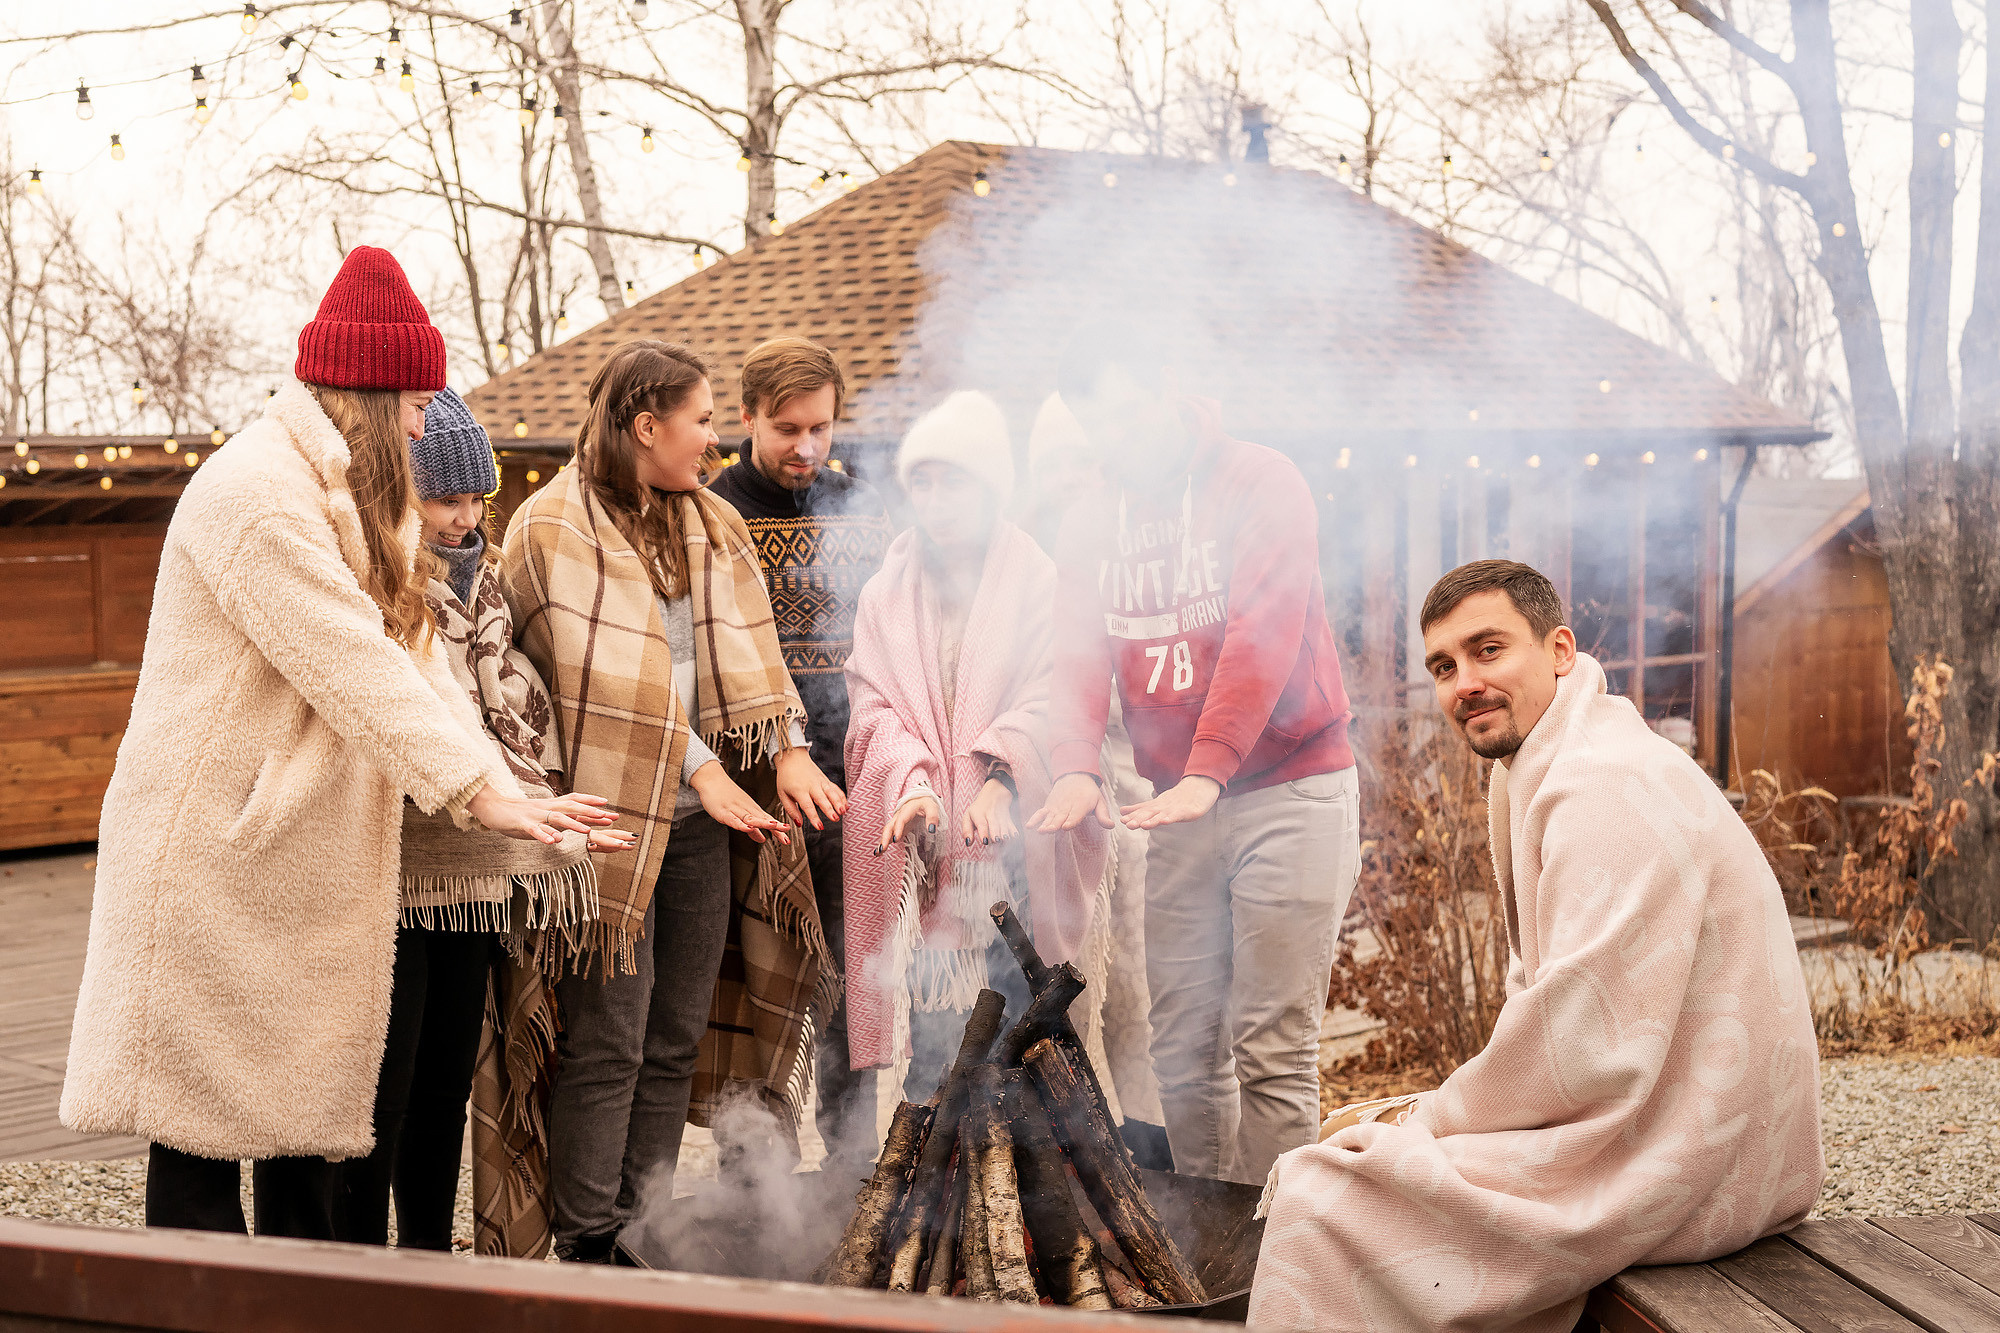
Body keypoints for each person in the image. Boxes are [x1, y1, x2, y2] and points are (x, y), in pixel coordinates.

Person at [59, 246, 618, 1237]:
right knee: (196, 1141)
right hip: (210, 847)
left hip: (286, 851)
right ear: (367, 393)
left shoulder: (359, 500)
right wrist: (479, 792)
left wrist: (503, 792)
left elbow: (416, 662)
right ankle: (195, 1305)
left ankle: (304, 1300)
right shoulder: (254, 492)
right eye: (416, 404)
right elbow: (347, 657)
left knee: (303, 1131)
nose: (423, 425)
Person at [1249, 560, 1824, 1332]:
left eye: (1488, 650)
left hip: (1698, 1155)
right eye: (1444, 666)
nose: (1466, 683)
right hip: (1678, 1116)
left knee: (1322, 1197)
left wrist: (1421, 1119)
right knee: (1358, 1153)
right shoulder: (1554, 757)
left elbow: (1579, 1041)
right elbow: (1561, 1015)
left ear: (1559, 649)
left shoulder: (1604, 786)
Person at [503, 339, 843, 1262]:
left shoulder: (710, 522)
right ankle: (587, 1236)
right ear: (647, 426)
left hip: (700, 826)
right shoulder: (549, 529)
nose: (713, 440)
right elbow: (590, 690)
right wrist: (701, 768)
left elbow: (755, 654)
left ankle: (639, 1221)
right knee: (608, 1037)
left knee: (675, 1033)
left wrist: (787, 748)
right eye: (702, 420)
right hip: (607, 821)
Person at [1029, 332, 1359, 1187]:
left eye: (1126, 413)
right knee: (1182, 1050)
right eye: (1097, 424)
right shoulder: (1091, 517)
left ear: (1167, 387)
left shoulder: (1260, 480)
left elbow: (1263, 633)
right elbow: (1074, 655)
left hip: (1292, 786)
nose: (1115, 438)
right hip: (1176, 803)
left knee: (1271, 1050)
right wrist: (1077, 763)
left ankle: (1277, 1246)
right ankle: (1209, 1239)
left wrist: (1210, 766)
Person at [333, 388, 630, 1250]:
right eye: (444, 500)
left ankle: (427, 1253)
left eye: (475, 498)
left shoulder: (490, 582)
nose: (464, 519)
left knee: (447, 1081)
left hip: (477, 865)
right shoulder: (378, 580)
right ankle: (359, 1263)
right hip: (399, 861)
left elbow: (514, 692)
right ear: (403, 494)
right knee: (383, 1084)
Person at [844, 391, 1111, 1098]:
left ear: (992, 487)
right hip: (931, 855)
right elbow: (872, 707)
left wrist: (1002, 779)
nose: (936, 502)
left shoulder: (1039, 579)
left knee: (1030, 1048)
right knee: (939, 1066)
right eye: (922, 484)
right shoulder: (884, 594)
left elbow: (1061, 693)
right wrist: (914, 784)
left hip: (1021, 856)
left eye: (954, 482)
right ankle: (941, 1170)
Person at [706, 336, 892, 1169]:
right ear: (747, 416)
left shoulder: (864, 511)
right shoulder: (713, 513)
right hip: (751, 790)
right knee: (758, 985)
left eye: (821, 427)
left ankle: (853, 1169)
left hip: (852, 788)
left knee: (854, 983)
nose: (807, 447)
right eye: (787, 429)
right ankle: (756, 1181)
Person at [1024, 392, 1169, 1169]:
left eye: (1080, 462)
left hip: (1136, 805)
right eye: (1054, 465)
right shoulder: (1027, 565)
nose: (1069, 479)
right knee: (1070, 992)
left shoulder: (1137, 550)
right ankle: (1080, 1147)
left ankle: (1154, 1151)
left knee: (1138, 996)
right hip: (1052, 816)